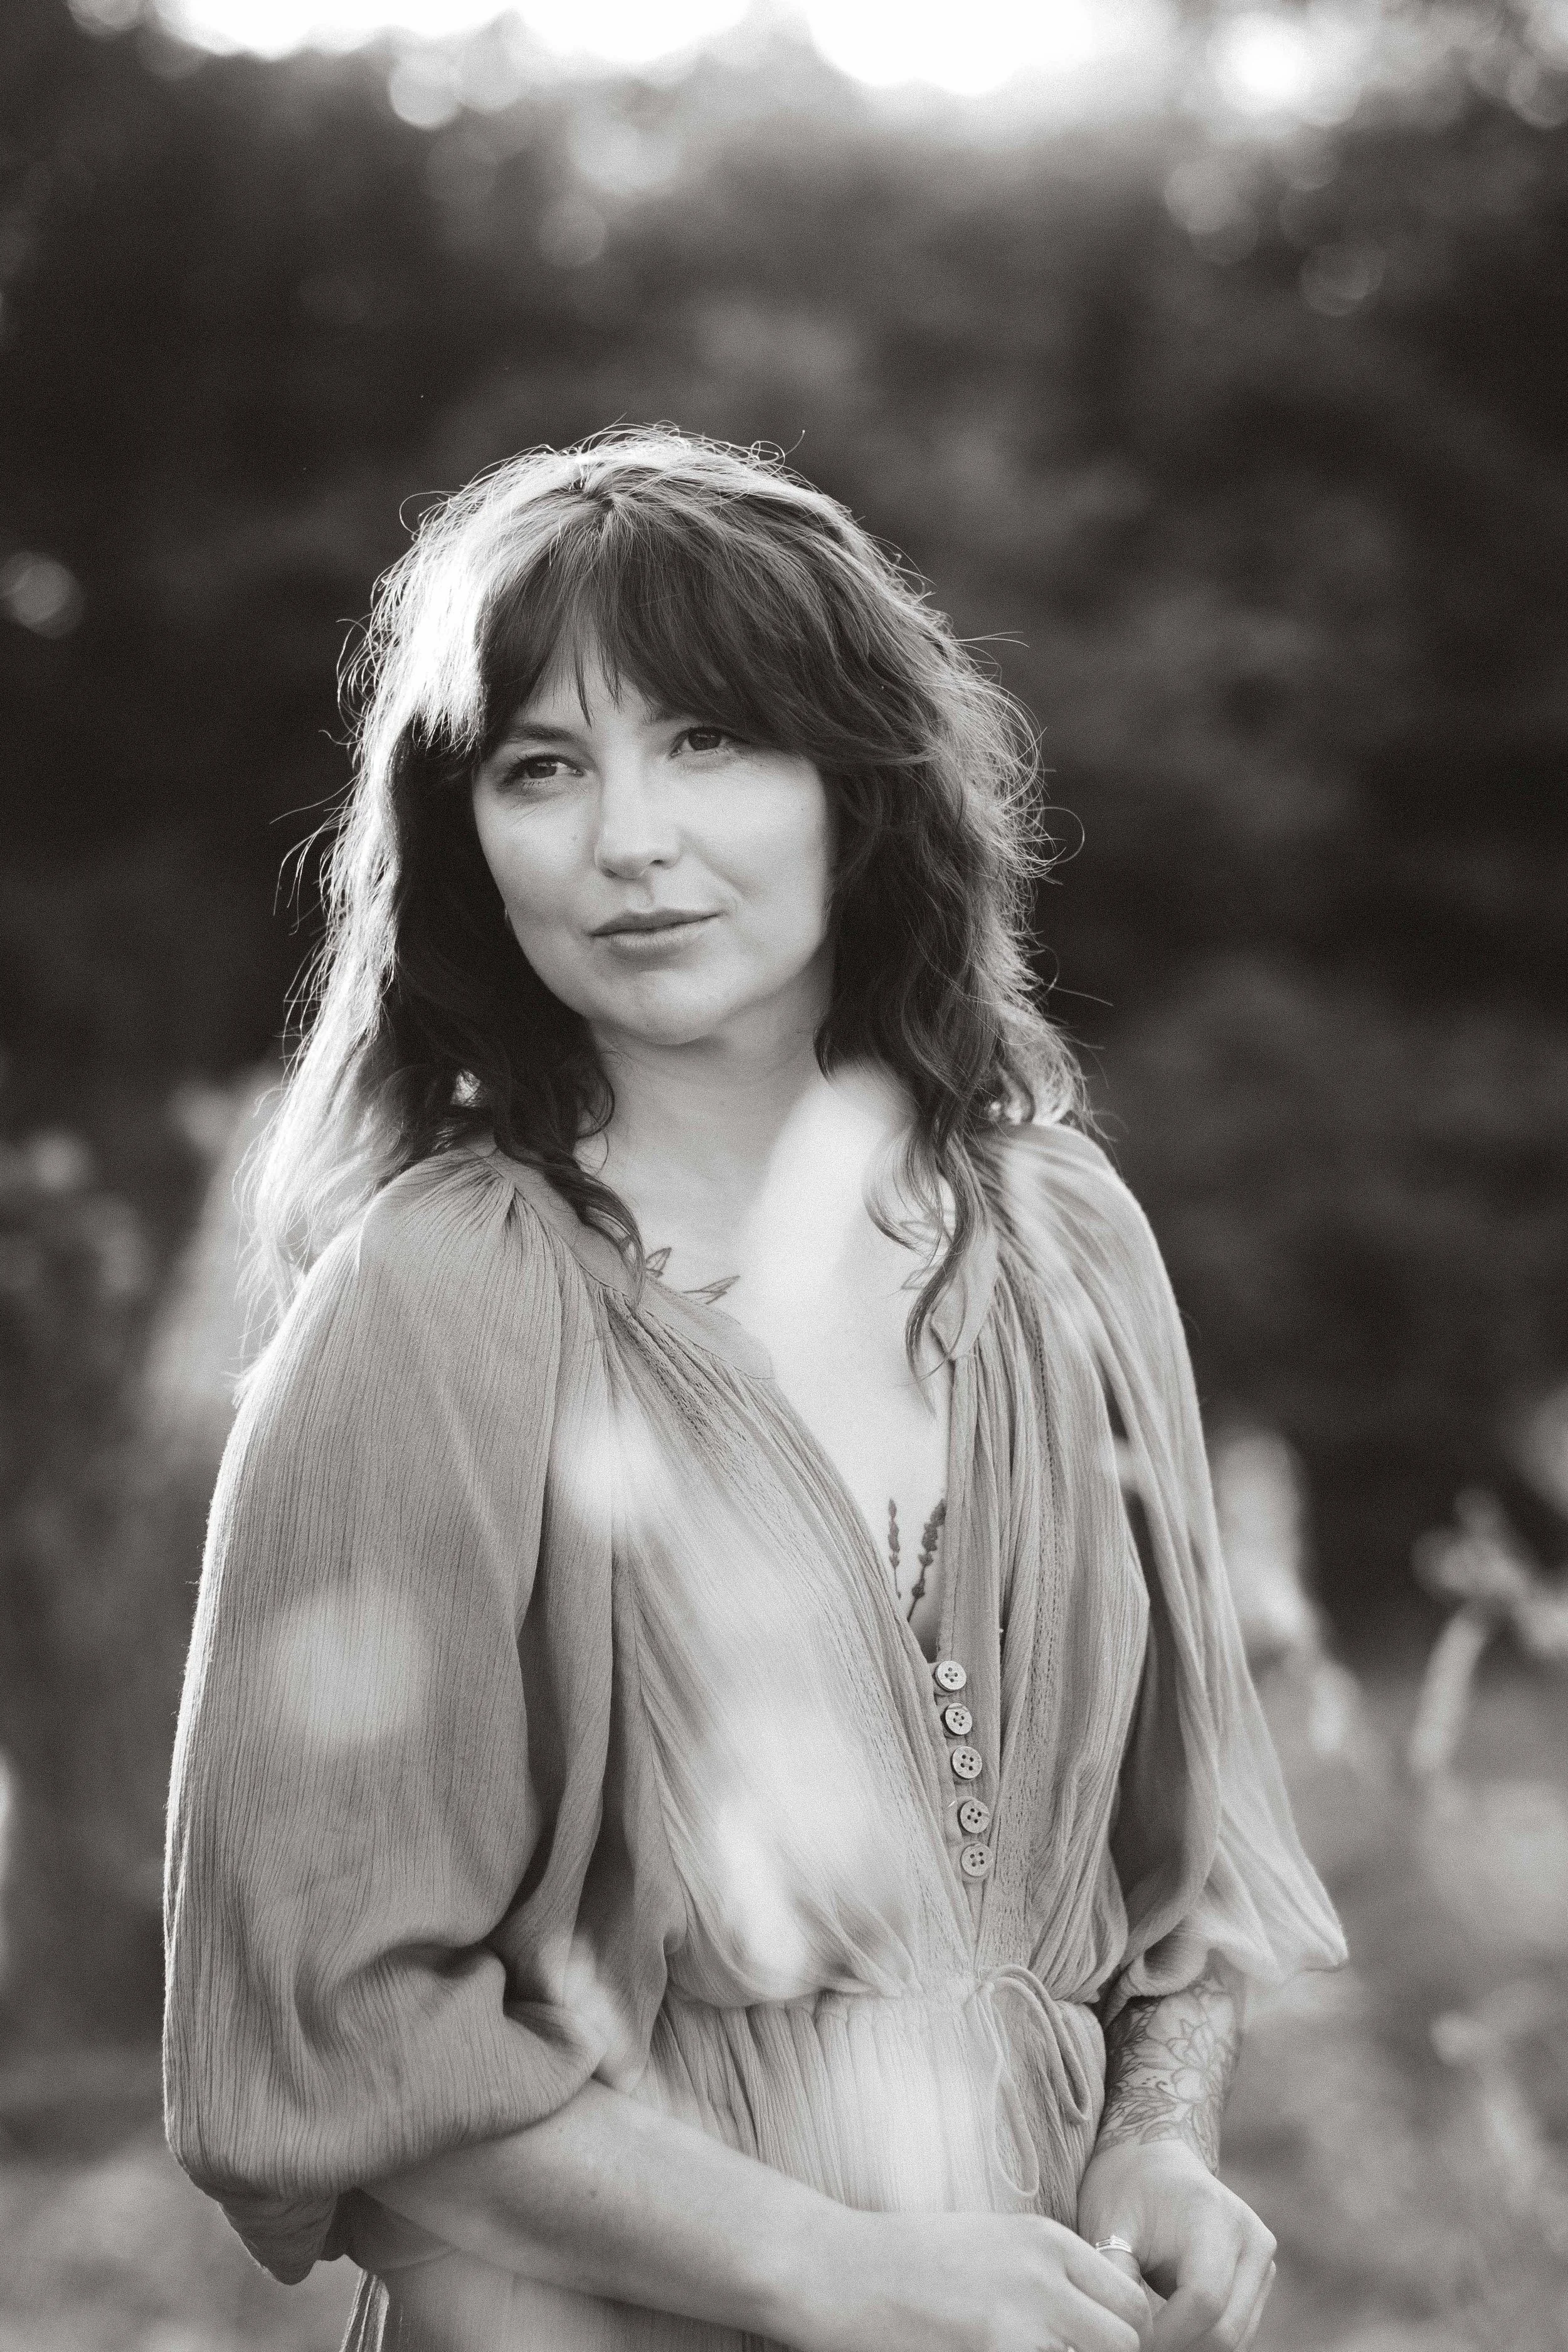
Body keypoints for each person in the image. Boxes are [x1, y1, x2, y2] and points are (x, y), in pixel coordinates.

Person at [163, 430, 1345, 2352]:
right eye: (543, 766)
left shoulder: (1063, 1236)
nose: (628, 837)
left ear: (855, 781)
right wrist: (835, 2269)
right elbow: (328, 2025)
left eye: (707, 738)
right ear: (464, 835)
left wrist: (1153, 2141)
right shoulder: (434, 1302)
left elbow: (1184, 1854)